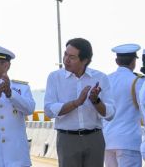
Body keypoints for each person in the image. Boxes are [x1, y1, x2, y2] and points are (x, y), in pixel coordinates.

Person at [45, 37, 115, 167]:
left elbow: (110, 114)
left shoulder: (100, 77)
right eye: (65, 54)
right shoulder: (55, 77)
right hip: (67, 139)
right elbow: (49, 110)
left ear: (85, 60)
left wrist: (96, 101)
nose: (66, 59)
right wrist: (76, 103)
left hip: (94, 138)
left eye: (72, 57)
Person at [104, 44, 143, 167]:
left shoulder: (106, 80)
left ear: (117, 61)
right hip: (128, 141)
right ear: (134, 62)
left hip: (108, 140)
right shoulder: (137, 81)